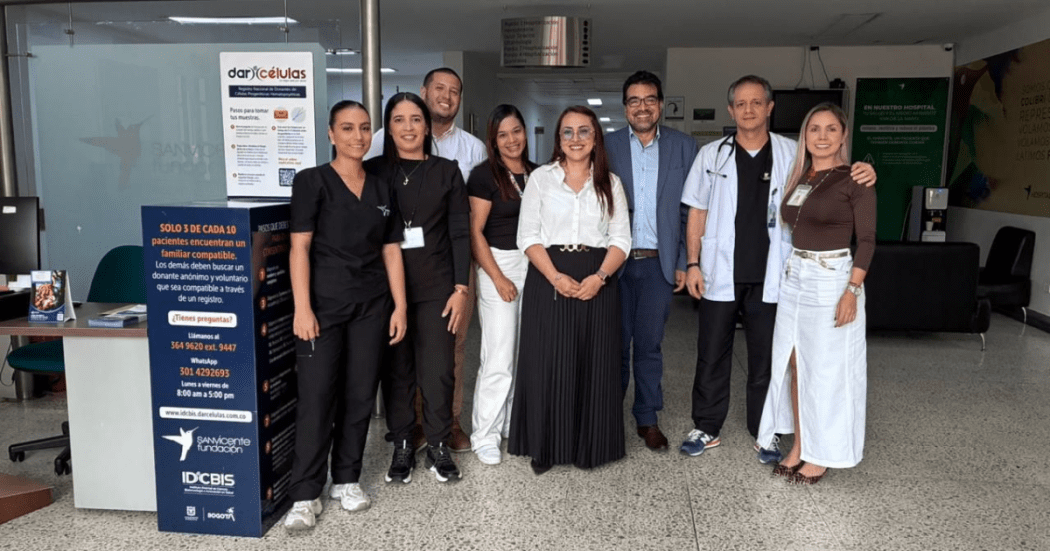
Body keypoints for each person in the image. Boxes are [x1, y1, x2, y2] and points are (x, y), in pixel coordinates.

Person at [680, 75, 876, 462]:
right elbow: (697, 212)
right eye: (741, 103)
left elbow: (833, 176)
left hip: (775, 276)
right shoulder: (711, 155)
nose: (748, 110)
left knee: (768, 359)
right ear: (731, 110)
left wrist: (867, 170)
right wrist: (692, 263)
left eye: (757, 102)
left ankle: (765, 431)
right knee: (711, 354)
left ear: (770, 107)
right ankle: (706, 426)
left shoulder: (792, 154)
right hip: (719, 273)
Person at [284, 100, 408, 531]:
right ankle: (305, 494)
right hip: (323, 306)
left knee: (359, 394)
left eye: (365, 128)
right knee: (317, 397)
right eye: (348, 128)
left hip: (372, 305)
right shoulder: (312, 181)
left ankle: (346, 479)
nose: (358, 136)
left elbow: (391, 251)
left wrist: (400, 306)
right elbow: (299, 248)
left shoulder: (381, 187)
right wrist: (302, 308)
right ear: (331, 134)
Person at [366, 67, 485, 452]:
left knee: (446, 354)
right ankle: (409, 432)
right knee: (398, 361)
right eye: (400, 120)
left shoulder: (466, 154)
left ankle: (444, 428)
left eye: (454, 90)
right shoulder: (376, 161)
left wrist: (461, 285)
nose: (408, 127)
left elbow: (463, 225)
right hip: (388, 275)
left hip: (441, 270)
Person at [757, 103, 875, 485]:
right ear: (804, 136)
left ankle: (822, 454)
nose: (822, 137)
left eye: (831, 129)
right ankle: (801, 445)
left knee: (825, 370)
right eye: (814, 129)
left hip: (831, 279)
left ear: (843, 135)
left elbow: (868, 241)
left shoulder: (855, 178)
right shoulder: (801, 176)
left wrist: (851, 291)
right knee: (794, 363)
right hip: (796, 276)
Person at [509, 106, 631, 474]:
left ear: (596, 138)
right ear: (558, 139)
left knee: (593, 364)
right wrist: (555, 277)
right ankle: (545, 446)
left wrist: (600, 277)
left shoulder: (611, 182)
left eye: (583, 131)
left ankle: (589, 446)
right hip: (549, 277)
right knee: (548, 363)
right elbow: (527, 236)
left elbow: (621, 239)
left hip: (598, 278)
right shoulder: (541, 179)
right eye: (568, 132)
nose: (575, 139)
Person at [605, 71, 699, 451]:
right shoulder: (606, 145)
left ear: (660, 104)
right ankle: (608, 415)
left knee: (648, 346)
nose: (642, 107)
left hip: (658, 266)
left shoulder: (684, 147)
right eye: (634, 100)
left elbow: (690, 211)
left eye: (649, 99)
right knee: (613, 345)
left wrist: (684, 261)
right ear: (625, 107)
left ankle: (647, 417)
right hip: (614, 265)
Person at [467, 105, 539, 466]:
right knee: (498, 354)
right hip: (499, 263)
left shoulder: (538, 173)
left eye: (516, 131)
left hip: (533, 264)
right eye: (502, 134)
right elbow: (474, 232)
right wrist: (497, 277)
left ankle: (510, 422)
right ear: (493, 141)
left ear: (525, 132)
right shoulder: (483, 176)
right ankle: (485, 434)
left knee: (523, 353)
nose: (512, 140)